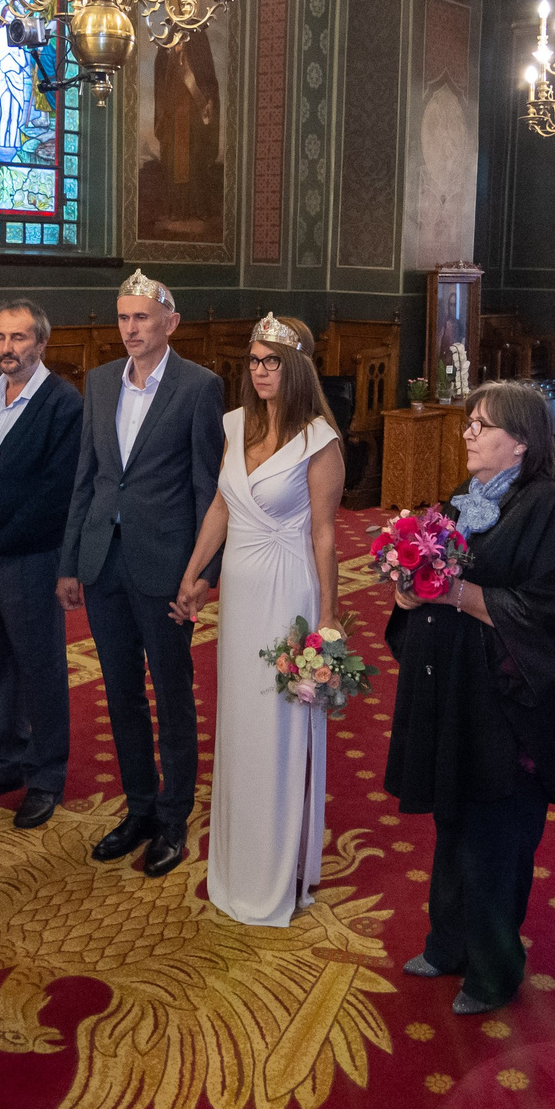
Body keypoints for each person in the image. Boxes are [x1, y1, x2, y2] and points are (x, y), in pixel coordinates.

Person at [384, 381, 555, 1016]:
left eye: (483, 425)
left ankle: (494, 971)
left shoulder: (547, 506)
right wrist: (407, 590)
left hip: (507, 708)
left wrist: (456, 594)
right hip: (456, 693)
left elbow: (551, 610)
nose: (468, 433)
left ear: (521, 441)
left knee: (496, 840)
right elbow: (433, 579)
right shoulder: (463, 500)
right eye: (469, 422)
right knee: (453, 823)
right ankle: (447, 945)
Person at [173, 314, 345, 926]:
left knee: (279, 726)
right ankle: (239, 860)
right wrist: (194, 573)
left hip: (288, 591)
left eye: (272, 362)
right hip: (241, 594)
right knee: (240, 721)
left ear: (295, 368)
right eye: (253, 361)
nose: (261, 372)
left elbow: (325, 534)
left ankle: (278, 868)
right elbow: (222, 505)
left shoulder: (319, 440)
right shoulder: (235, 425)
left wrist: (329, 617)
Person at [60, 270, 227, 878]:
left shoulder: (199, 387)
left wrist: (203, 572)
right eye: (124, 318)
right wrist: (70, 562)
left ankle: (174, 818)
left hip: (166, 567)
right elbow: (87, 476)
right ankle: (140, 809)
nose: (131, 329)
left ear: (170, 324)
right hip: (104, 562)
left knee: (173, 694)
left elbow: (209, 488)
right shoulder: (101, 381)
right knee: (121, 692)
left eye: (142, 318)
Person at [0, 299, 85, 829]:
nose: (7, 348)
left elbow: (58, 492)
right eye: (0, 337)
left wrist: (2, 541)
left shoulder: (63, 404)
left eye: (19, 338)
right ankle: (1, 762)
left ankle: (46, 775)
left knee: (38, 667)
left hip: (29, 556)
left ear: (41, 343)